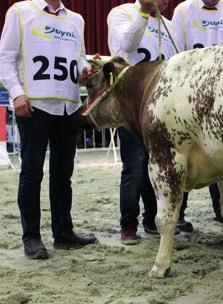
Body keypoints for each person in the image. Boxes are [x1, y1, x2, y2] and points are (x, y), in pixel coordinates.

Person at [0, 0, 97, 259]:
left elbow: (78, 59)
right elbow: (6, 58)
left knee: (63, 173)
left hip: (67, 105)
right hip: (34, 105)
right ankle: (31, 237)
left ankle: (63, 232)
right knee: (32, 172)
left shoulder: (76, 20)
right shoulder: (20, 11)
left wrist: (85, 70)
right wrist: (17, 94)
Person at [171, 0, 223, 231]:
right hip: (187, 93)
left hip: (220, 95)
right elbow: (177, 52)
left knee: (221, 152)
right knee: (184, 153)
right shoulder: (183, 11)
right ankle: (178, 213)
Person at [107, 0, 179, 244]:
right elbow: (125, 45)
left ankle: (152, 219)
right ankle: (128, 224)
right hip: (132, 107)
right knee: (134, 167)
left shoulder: (170, 26)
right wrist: (144, 12)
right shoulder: (121, 13)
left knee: (158, 166)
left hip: (162, 108)